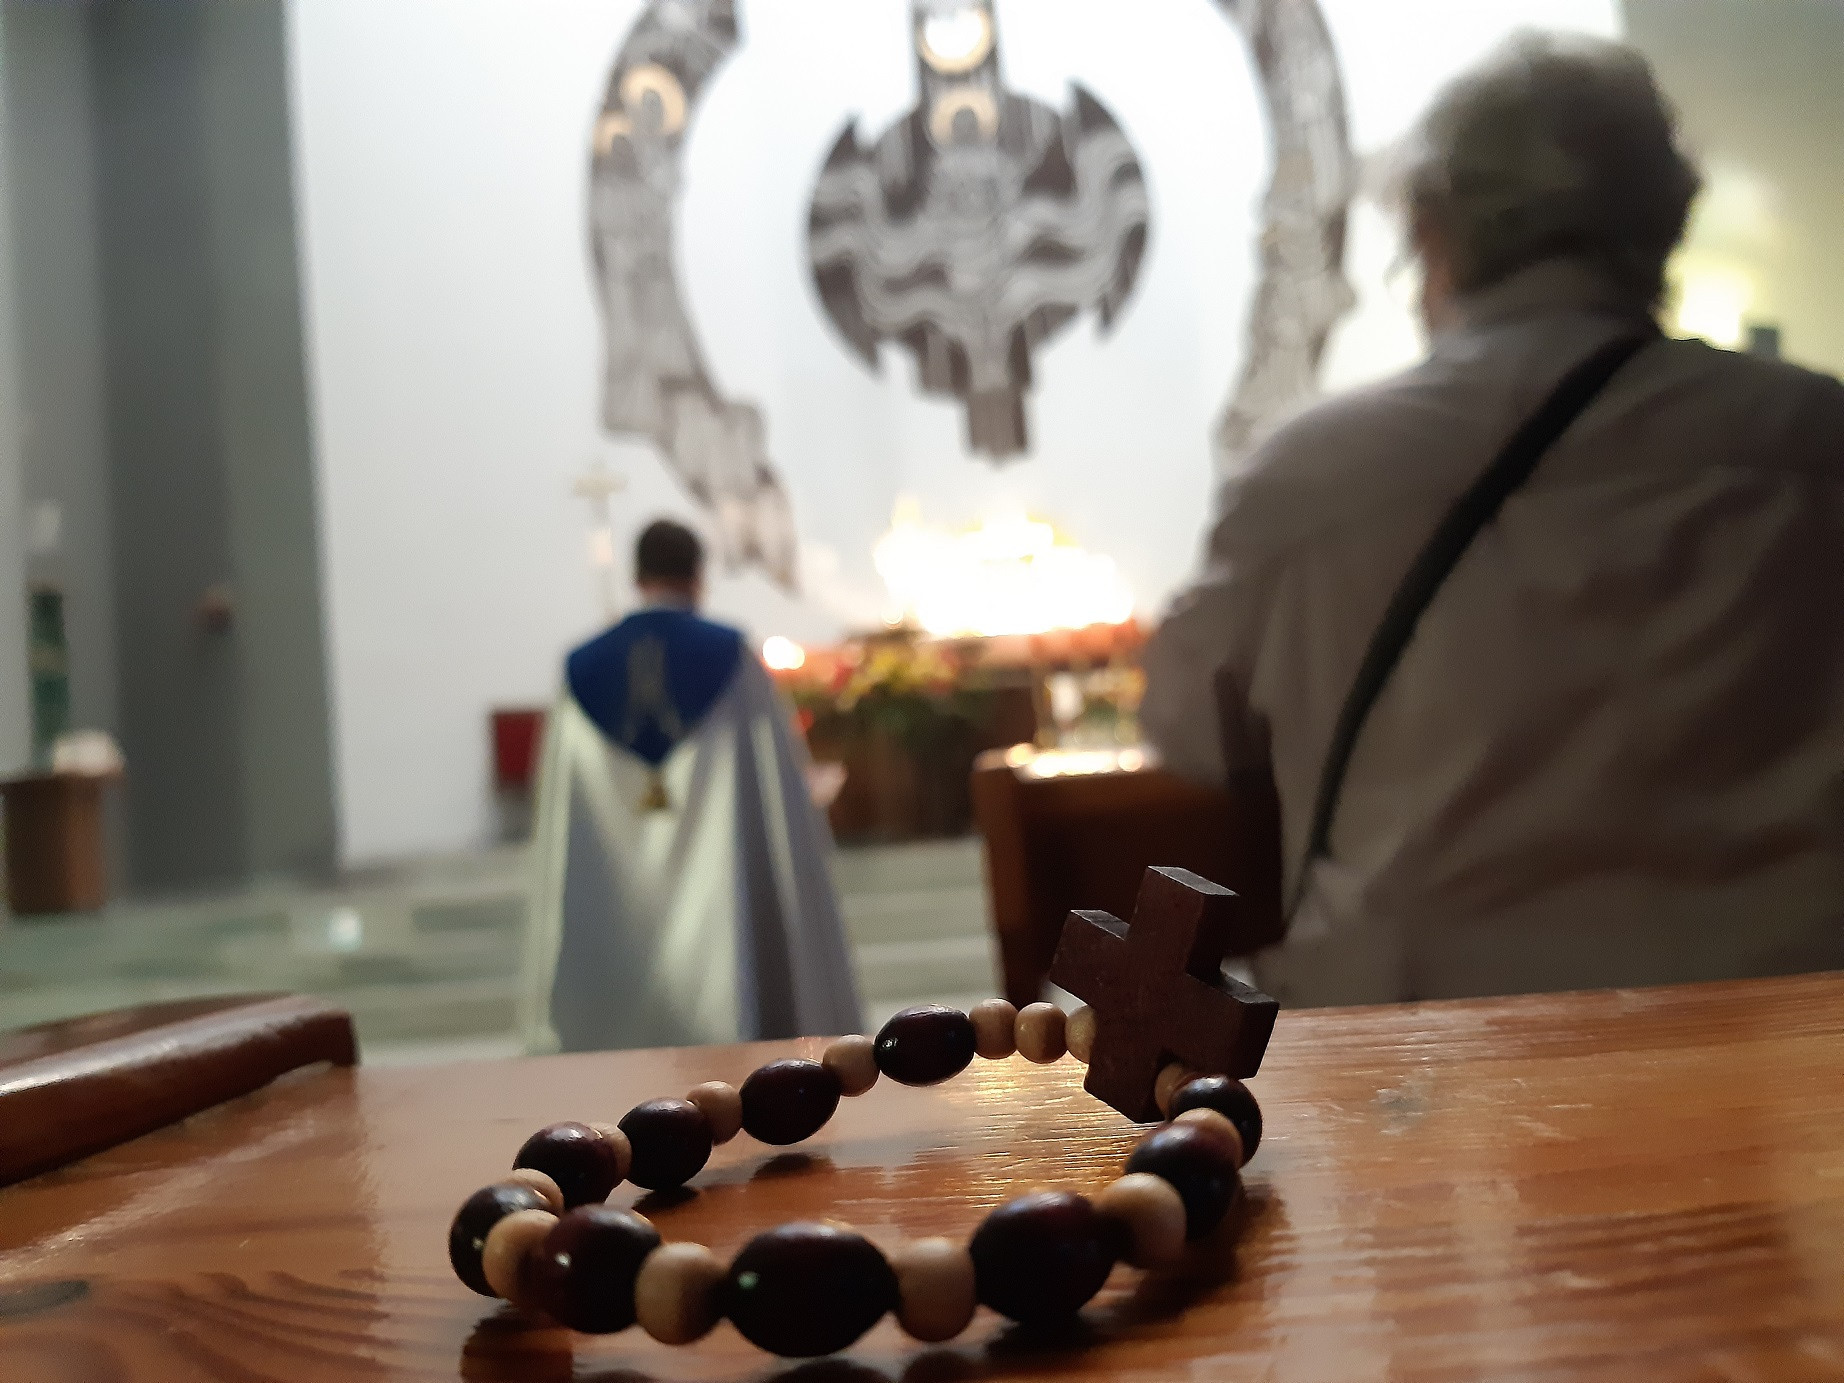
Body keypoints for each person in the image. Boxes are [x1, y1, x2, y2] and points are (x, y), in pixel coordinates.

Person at [1142, 32, 1844, 1007]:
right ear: (1666, 222)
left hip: (1417, 1045)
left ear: (1431, 232)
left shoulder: (1309, 478)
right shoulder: (1815, 437)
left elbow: (1187, 736)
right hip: (1792, 1039)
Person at [519, 519, 862, 1050]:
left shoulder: (582, 670)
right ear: (698, 576)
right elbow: (777, 795)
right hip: (723, 898)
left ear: (637, 578)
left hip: (612, 901)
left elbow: (566, 809)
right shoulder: (732, 659)